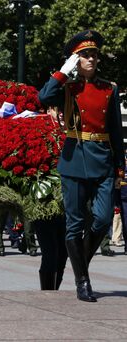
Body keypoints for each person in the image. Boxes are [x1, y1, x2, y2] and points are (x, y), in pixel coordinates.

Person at [39, 30, 124, 302]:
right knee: (74, 224)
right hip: (75, 158)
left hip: (102, 159)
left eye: (94, 55)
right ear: (76, 59)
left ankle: (80, 266)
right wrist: (64, 71)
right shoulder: (68, 87)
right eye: (85, 55)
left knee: (100, 219)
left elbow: (114, 129)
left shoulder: (108, 88)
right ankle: (82, 280)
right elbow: (43, 97)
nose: (91, 58)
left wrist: (120, 166)